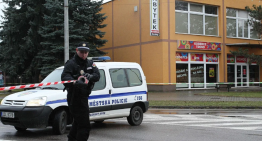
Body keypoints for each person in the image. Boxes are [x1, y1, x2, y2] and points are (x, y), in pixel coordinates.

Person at [61, 43, 100, 141]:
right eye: (82, 52)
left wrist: (90, 77)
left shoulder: (90, 63)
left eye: (86, 52)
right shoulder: (71, 63)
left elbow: (97, 75)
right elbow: (65, 77)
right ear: (77, 50)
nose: (84, 55)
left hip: (84, 96)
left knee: (78, 123)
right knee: (84, 125)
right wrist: (75, 82)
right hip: (74, 97)